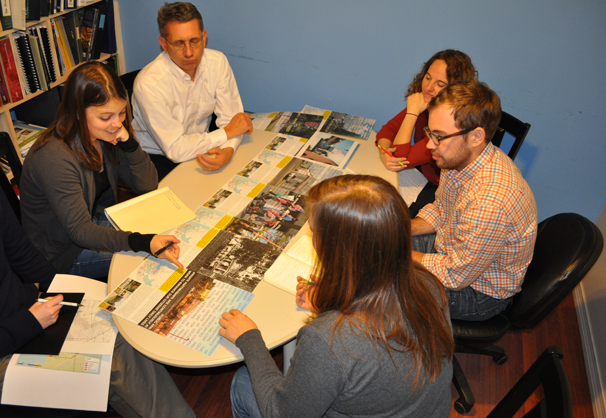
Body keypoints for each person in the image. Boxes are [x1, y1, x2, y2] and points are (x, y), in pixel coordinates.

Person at [219, 175, 454, 418]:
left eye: (314, 231)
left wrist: (249, 338)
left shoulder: (327, 340)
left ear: (337, 249)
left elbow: (281, 413)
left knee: (243, 381)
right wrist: (332, 298)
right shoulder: (427, 282)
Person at [0, 169, 196, 418]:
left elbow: (21, 252)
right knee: (105, 367)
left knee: (120, 329)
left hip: (27, 314)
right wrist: (27, 323)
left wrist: (68, 294)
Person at [21, 61, 183, 280]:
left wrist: (129, 143)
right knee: (156, 261)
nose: (116, 123)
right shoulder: (54, 158)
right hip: (64, 253)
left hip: (97, 220)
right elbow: (81, 231)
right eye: (105, 117)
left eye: (121, 113)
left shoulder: (106, 136)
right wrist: (143, 242)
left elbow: (147, 185)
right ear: (78, 112)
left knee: (173, 234)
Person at [411, 79, 538, 321]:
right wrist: (400, 230)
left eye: (438, 136)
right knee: (376, 241)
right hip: (452, 250)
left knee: (383, 282)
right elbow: (442, 211)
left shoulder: (490, 202)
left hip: (478, 292)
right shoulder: (457, 157)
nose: (429, 144)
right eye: (430, 132)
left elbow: (455, 277)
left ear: (476, 136)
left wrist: (397, 254)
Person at [132, 2, 253, 179]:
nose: (189, 52)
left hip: (203, 142)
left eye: (194, 41)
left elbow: (234, 121)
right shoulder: (149, 84)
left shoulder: (217, 62)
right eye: (179, 44)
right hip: (158, 155)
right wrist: (226, 133)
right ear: (164, 44)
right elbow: (176, 150)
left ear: (204, 37)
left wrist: (228, 150)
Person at [376, 50, 477, 217]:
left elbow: (400, 160)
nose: (429, 87)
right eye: (428, 77)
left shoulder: (449, 124)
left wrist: (412, 112)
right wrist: (383, 152)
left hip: (440, 188)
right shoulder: (427, 102)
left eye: (440, 84)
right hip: (421, 173)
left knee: (390, 218)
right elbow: (388, 129)